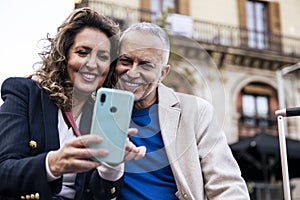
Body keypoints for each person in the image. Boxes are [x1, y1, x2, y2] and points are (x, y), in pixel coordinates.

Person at [0, 8, 145, 200]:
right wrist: (53, 164)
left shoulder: (103, 114)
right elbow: (3, 172)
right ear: (64, 56)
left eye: (103, 57)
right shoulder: (26, 93)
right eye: (83, 52)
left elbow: (99, 195)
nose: (92, 64)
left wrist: (112, 165)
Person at [114, 22, 250, 199]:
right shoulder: (98, 109)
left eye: (146, 65)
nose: (132, 72)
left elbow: (227, 186)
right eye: (126, 61)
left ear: (163, 73)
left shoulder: (197, 112)